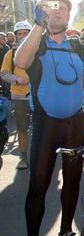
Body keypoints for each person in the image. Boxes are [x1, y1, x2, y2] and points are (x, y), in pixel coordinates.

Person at [14, 0, 84, 236]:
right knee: (38, 186)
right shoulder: (37, 42)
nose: (56, 13)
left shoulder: (77, 47)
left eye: (62, 9)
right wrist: (38, 25)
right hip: (45, 123)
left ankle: (66, 231)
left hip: (74, 123)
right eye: (51, 8)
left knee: (73, 182)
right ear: (44, 12)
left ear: (69, 15)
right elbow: (21, 61)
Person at [1, 21, 33, 169]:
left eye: (26, 33)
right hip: (19, 97)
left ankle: (45, 158)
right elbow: (4, 73)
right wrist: (17, 79)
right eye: (19, 34)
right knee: (22, 129)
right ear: (15, 36)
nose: (23, 36)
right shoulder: (10, 53)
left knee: (44, 129)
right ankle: (24, 158)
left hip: (40, 96)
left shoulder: (40, 51)